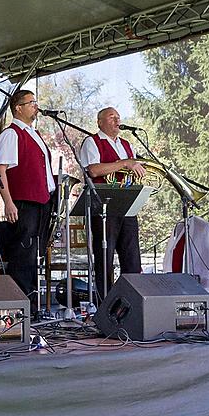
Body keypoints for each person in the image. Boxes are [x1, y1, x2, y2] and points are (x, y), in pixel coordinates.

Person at [78, 107, 144, 300]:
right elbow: (94, 170)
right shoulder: (92, 142)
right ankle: (105, 305)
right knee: (105, 260)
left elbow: (130, 171)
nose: (117, 120)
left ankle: (133, 303)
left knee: (132, 259)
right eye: (111, 117)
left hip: (127, 206)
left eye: (118, 116)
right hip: (104, 207)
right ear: (100, 122)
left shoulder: (126, 144)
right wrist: (124, 163)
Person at [0, 90, 55, 298]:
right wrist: (8, 203)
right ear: (18, 108)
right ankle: (20, 302)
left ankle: (32, 300)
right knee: (22, 253)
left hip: (42, 200)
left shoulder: (34, 133)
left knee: (33, 253)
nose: (35, 106)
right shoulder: (11, 134)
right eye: (31, 102)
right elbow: (0, 170)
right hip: (25, 201)